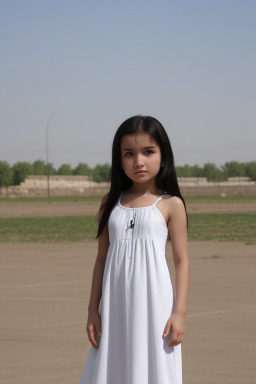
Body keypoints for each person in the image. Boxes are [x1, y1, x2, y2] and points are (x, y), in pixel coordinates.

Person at [80, 115, 190, 384]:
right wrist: (93, 309)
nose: (139, 161)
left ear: (163, 155)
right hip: (115, 304)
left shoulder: (171, 204)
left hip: (156, 305)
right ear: (119, 159)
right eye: (129, 153)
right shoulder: (110, 203)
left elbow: (182, 261)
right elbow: (101, 259)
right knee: (112, 364)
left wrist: (179, 313)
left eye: (148, 152)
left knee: (152, 365)